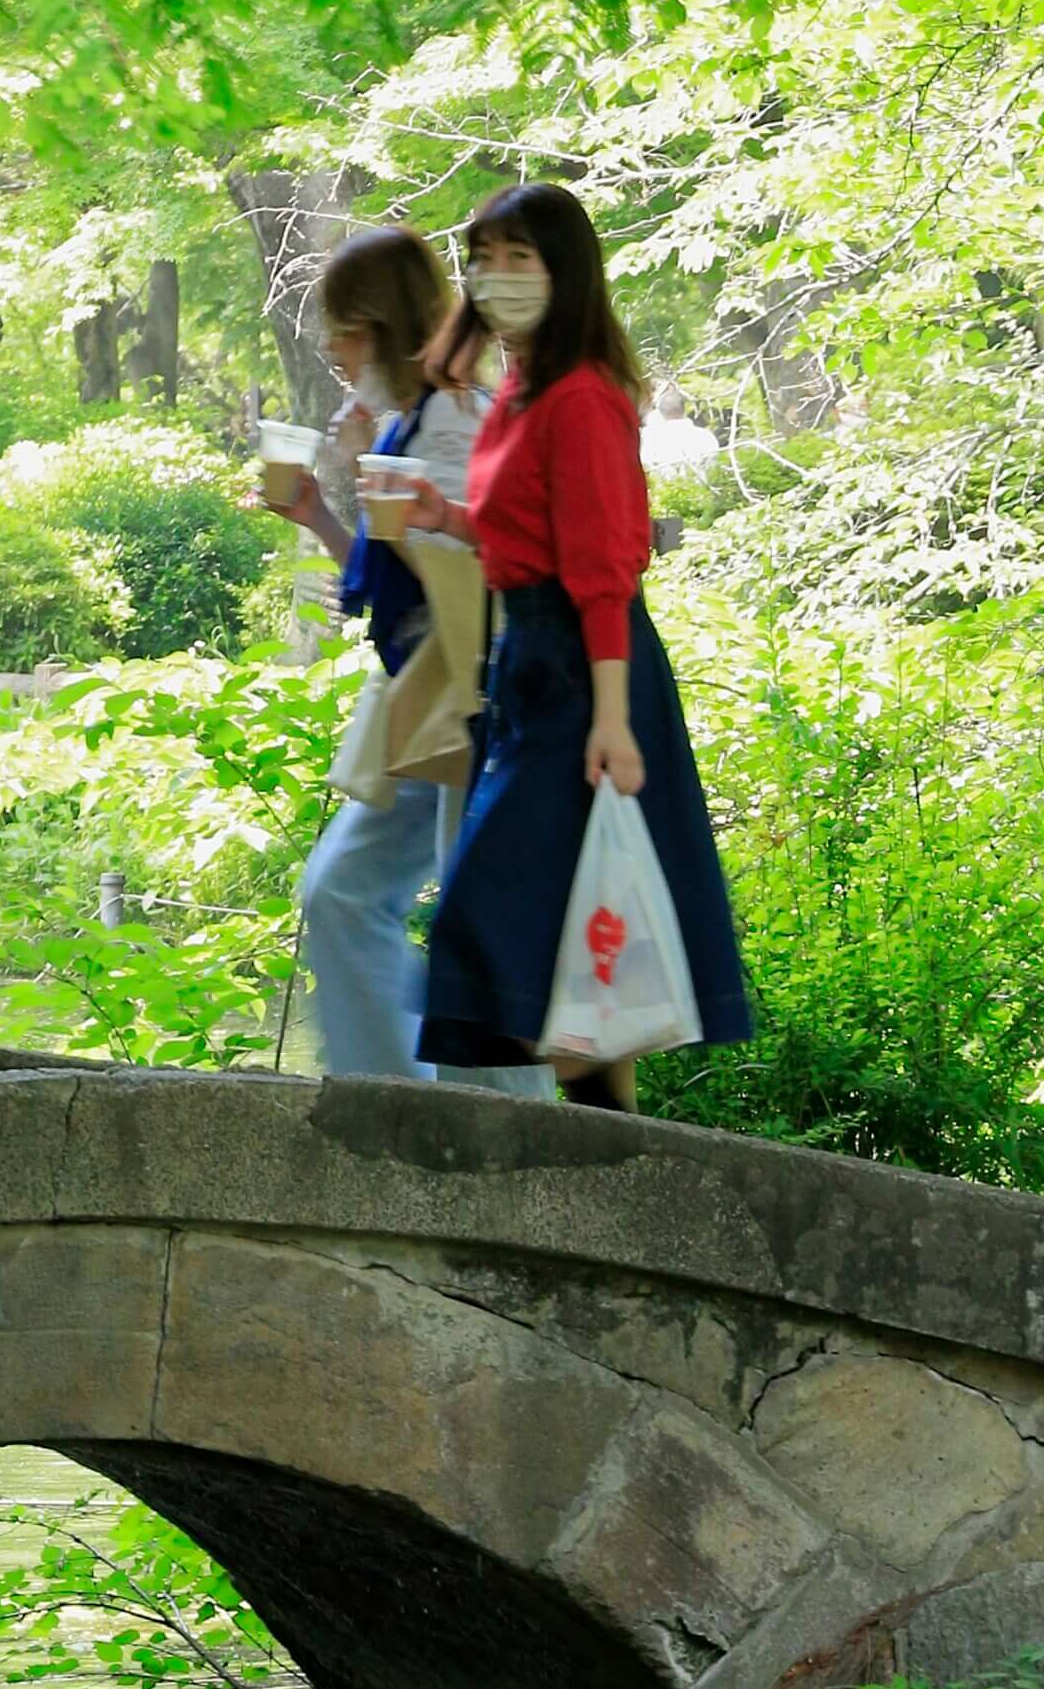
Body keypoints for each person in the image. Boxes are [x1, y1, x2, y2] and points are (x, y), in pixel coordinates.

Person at [401, 183, 752, 1111]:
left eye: (523, 257)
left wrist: (610, 720)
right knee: (570, 940)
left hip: (587, 675)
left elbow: (602, 571)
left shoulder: (585, 400)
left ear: (567, 274)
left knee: (515, 924)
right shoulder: (522, 391)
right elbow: (534, 536)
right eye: (486, 257)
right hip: (532, 672)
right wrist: (451, 517)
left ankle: (609, 1164)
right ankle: (614, 1159)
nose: (499, 277)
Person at [270, 228, 548, 1097]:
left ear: (379, 326)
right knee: (342, 893)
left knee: (467, 919)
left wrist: (376, 471)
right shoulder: (416, 421)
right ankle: (391, 1100)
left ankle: (504, 1128)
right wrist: (323, 508)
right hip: (427, 694)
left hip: (474, 697)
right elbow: (395, 572)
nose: (332, 352)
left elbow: (486, 560)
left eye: (342, 332)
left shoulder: (457, 417)